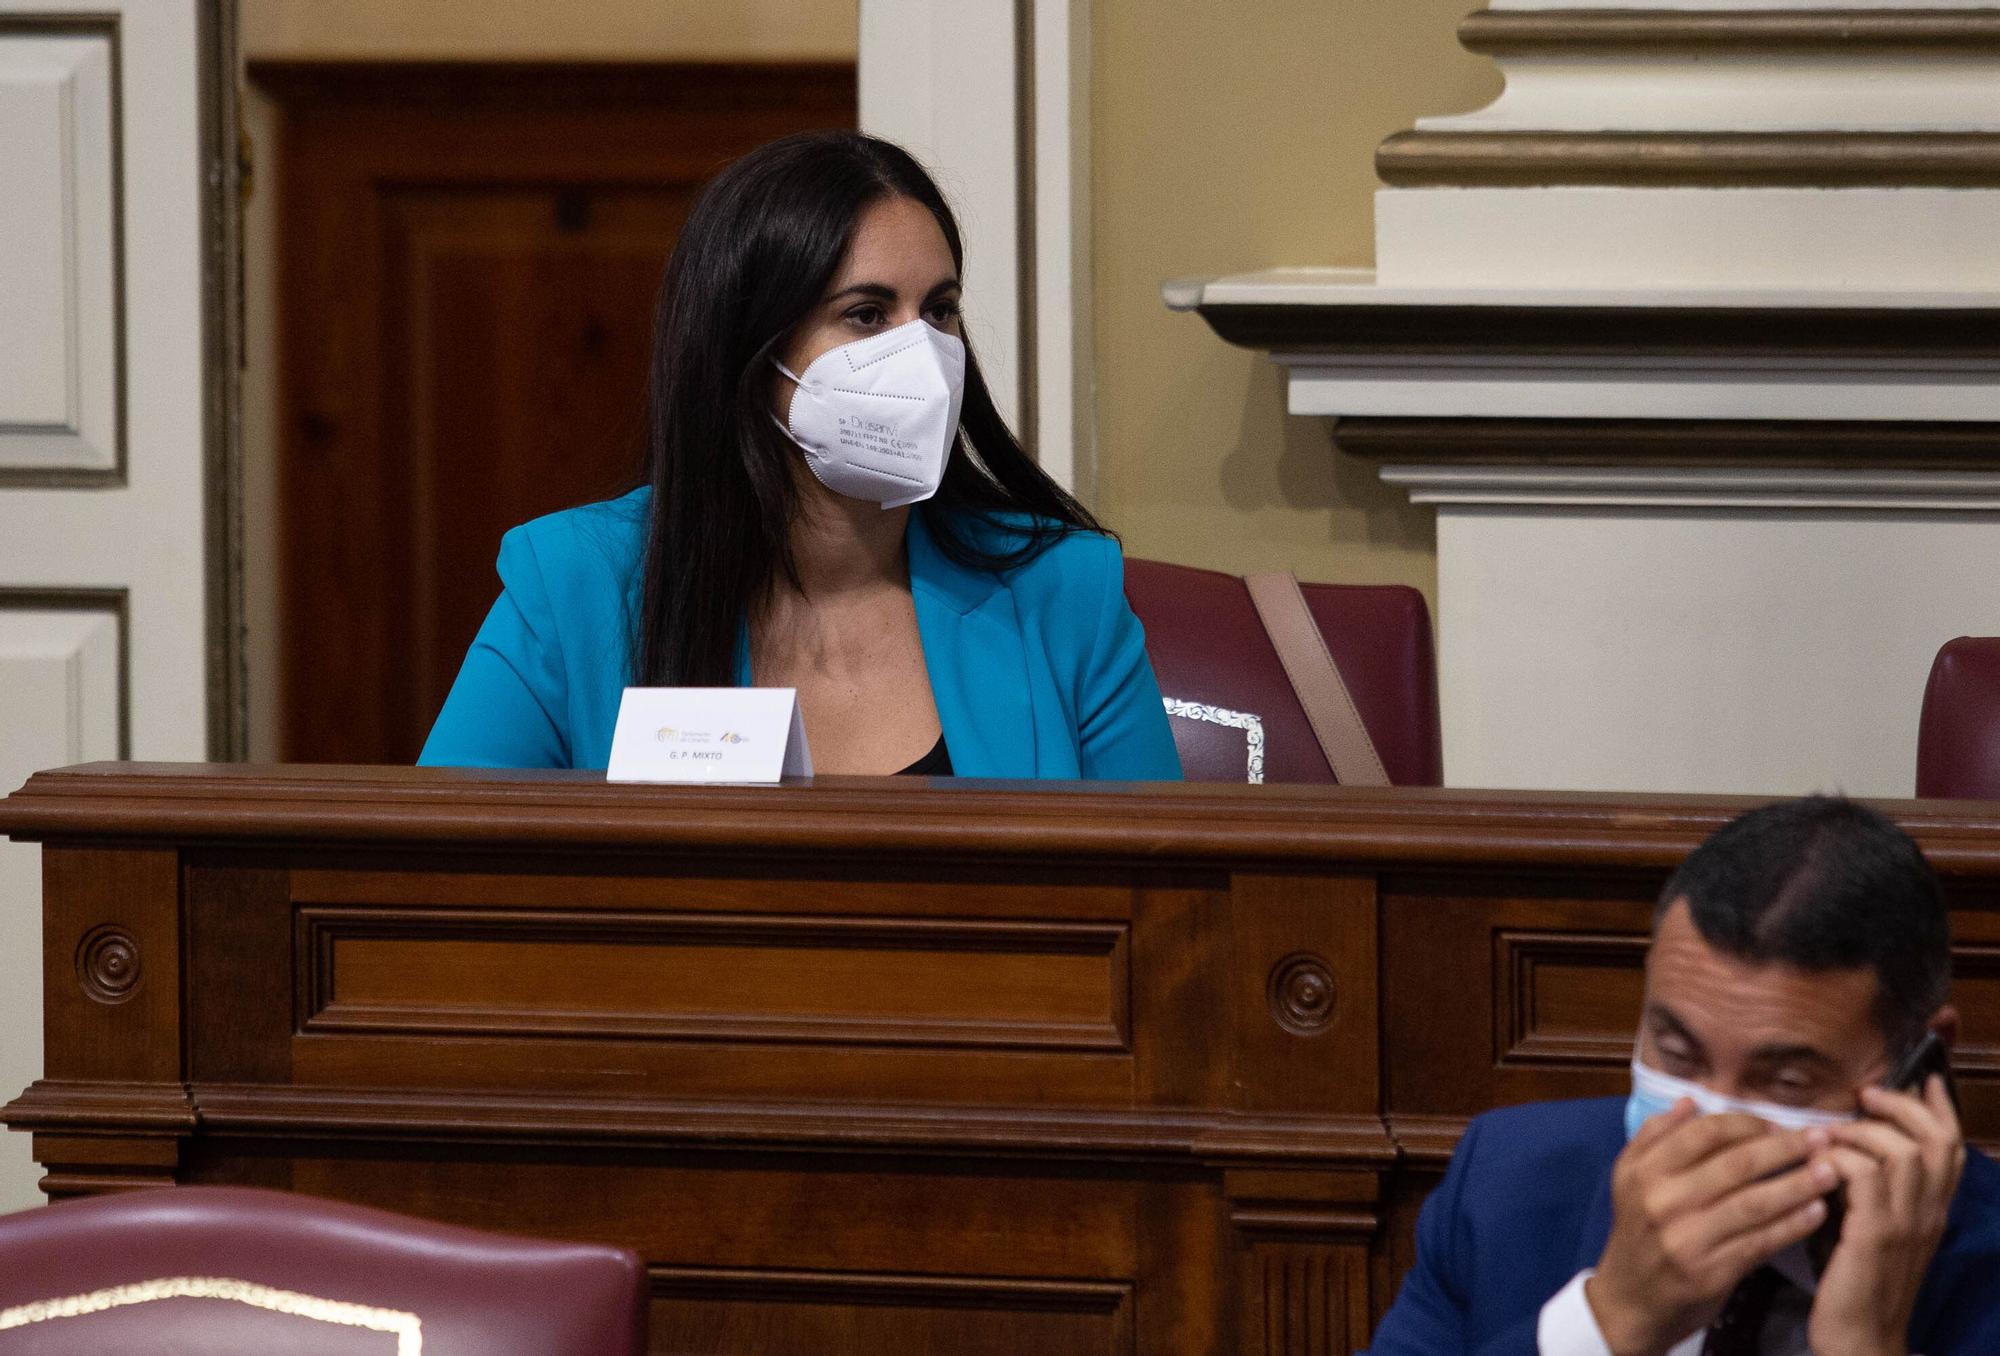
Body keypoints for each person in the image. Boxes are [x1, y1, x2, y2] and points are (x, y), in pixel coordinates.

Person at [419, 131, 1182, 780]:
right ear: (750, 352)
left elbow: (1163, 903)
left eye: (940, 310)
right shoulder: (574, 587)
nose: (920, 353)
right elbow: (432, 878)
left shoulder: (1061, 590)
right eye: (866, 314)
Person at [1366, 796, 2000, 1356]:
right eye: (1677, 1054)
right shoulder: (1504, 1183)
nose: (1710, 1119)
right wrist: (1609, 1325)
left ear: (1923, 1061)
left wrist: (1865, 1347)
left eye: (1785, 1083)